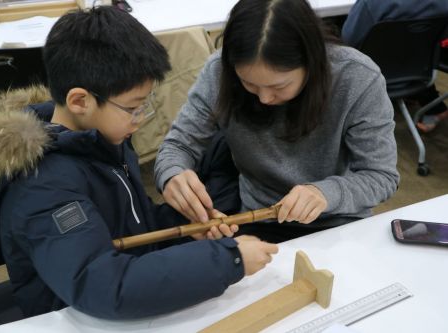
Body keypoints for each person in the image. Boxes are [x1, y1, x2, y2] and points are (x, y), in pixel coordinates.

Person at [0, 6, 279, 324]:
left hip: (118, 297)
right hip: (69, 315)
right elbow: (102, 284)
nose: (140, 119)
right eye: (133, 108)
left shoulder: (101, 139)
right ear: (80, 101)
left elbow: (132, 224)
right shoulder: (43, 184)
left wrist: (190, 224)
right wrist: (228, 261)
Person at [154, 0, 400, 244]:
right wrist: (172, 174)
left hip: (338, 221)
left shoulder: (357, 78)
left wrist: (325, 193)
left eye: (278, 86)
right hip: (259, 220)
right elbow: (179, 145)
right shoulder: (219, 71)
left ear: (311, 61)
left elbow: (380, 175)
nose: (264, 98)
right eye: (249, 84)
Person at [341, 0, 448, 132]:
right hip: (418, 72)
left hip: (369, 78)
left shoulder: (370, 4)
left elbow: (348, 40)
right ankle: (430, 103)